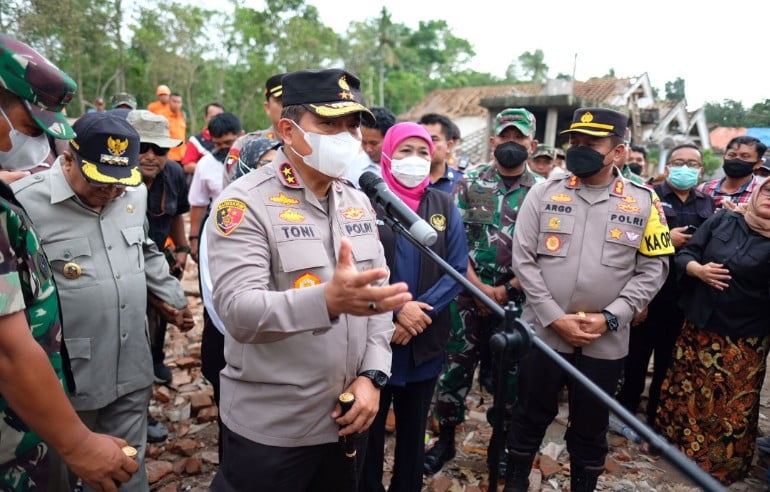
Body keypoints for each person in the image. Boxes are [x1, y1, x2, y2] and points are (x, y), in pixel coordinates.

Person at [207, 68, 412, 492]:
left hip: (348, 417)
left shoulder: (356, 201)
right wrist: (327, 302)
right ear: (289, 128)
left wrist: (373, 376)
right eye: (329, 123)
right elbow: (238, 312)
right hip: (274, 428)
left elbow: (377, 308)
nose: (346, 135)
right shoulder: (244, 203)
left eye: (352, 124)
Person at [12, 111, 194, 492]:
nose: (111, 192)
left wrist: (173, 299)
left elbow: (144, 249)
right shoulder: (25, 204)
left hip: (131, 362)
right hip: (67, 376)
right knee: (61, 471)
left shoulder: (135, 194)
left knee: (129, 469)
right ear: (67, 159)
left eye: (120, 183)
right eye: (99, 182)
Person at [0, 33, 138, 491]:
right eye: (27, 125)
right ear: (69, 161)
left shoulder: (128, 199)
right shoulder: (22, 203)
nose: (10, 141)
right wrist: (77, 443)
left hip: (123, 368)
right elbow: (8, 347)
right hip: (54, 396)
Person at [507, 108, 672, 492]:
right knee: (529, 415)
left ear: (619, 152)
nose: (578, 149)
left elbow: (654, 268)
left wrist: (612, 317)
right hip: (544, 333)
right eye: (575, 142)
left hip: (606, 340)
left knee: (591, 425)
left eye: (591, 143)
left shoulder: (645, 201)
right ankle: (515, 481)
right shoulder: (544, 192)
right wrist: (553, 316)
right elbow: (524, 259)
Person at [425, 108, 540, 477]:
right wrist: (478, 288)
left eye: (519, 138)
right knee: (455, 369)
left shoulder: (544, 192)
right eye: (504, 136)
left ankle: (502, 444)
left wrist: (506, 290)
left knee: (512, 376)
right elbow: (454, 241)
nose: (511, 144)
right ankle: (444, 440)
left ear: (532, 145)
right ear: (493, 142)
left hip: (517, 299)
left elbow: (547, 253)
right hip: (467, 296)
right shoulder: (468, 182)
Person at [362, 122, 468, 492]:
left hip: (424, 337)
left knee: (413, 431)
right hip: (375, 338)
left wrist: (419, 313)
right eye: (406, 151)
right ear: (388, 154)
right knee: (369, 431)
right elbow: (356, 266)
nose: (416, 160)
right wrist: (394, 311)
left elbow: (457, 268)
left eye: (423, 152)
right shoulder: (365, 201)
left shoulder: (443, 203)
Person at [655, 179, 770, 485]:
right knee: (684, 389)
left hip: (743, 336)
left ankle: (718, 466)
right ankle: (678, 449)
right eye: (769, 189)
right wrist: (698, 270)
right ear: (759, 192)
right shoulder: (725, 219)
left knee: (730, 405)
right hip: (698, 324)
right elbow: (684, 254)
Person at [617, 144, 714, 425]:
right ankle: (625, 412)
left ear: (701, 170)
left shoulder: (707, 203)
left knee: (668, 362)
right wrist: (665, 238)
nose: (686, 168)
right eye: (678, 162)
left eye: (692, 164)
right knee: (635, 357)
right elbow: (628, 243)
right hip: (649, 293)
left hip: (683, 295)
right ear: (667, 166)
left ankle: (656, 418)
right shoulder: (648, 196)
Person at [199, 136, 280, 460]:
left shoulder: (284, 211)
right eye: (265, 165)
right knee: (236, 429)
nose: (274, 173)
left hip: (276, 345)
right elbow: (220, 302)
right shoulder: (226, 215)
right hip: (235, 344)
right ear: (242, 166)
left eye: (279, 165)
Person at [126, 110, 190, 387]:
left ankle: (156, 359)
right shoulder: (114, 179)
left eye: (160, 149)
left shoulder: (174, 173)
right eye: (142, 147)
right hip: (122, 260)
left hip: (157, 254)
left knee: (159, 318)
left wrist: (183, 249)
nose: (151, 156)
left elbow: (177, 214)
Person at [188, 112, 243, 262]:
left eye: (229, 143)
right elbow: (198, 203)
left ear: (241, 135)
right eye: (218, 144)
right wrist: (194, 239)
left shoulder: (258, 159)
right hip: (220, 231)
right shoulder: (205, 164)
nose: (224, 148)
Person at [223, 72, 285, 185]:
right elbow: (231, 188)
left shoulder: (312, 142)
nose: (288, 106)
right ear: (267, 107)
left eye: (293, 101)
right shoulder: (245, 144)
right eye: (281, 101)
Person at [698, 136, 766, 208]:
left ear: (758, 164)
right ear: (724, 158)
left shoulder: (763, 194)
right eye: (732, 155)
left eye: (745, 156)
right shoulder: (704, 189)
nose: (737, 159)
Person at [344, 106, 396, 185]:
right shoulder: (351, 168)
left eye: (374, 143)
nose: (368, 149)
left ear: (390, 138)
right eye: (364, 142)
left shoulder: (403, 167)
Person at [418, 113, 463, 193]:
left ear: (449, 146)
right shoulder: (406, 180)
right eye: (422, 138)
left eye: (433, 139)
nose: (426, 144)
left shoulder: (462, 183)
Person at [180, 102, 225, 175]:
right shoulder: (196, 141)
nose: (217, 120)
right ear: (206, 118)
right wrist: (211, 170)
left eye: (220, 117)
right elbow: (187, 166)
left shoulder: (230, 139)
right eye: (213, 117)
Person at [164, 93, 187, 162]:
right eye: (174, 101)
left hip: (182, 156)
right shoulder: (162, 116)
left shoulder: (182, 116)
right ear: (169, 101)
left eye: (179, 102)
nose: (177, 104)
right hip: (169, 156)